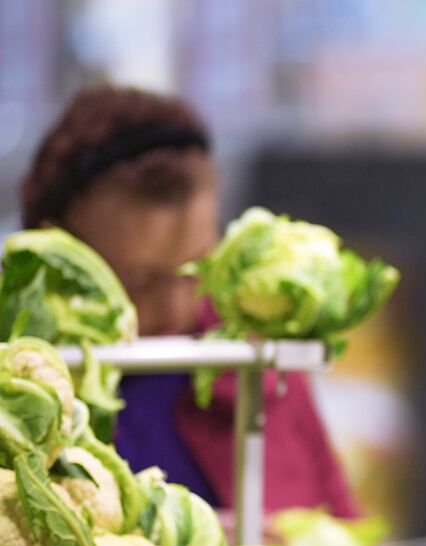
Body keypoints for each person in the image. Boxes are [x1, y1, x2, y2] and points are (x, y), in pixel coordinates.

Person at [20, 85, 360, 519]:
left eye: (199, 269)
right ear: (53, 253)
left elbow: (340, 509)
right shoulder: (22, 389)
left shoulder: (257, 354)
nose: (175, 308)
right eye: (138, 282)